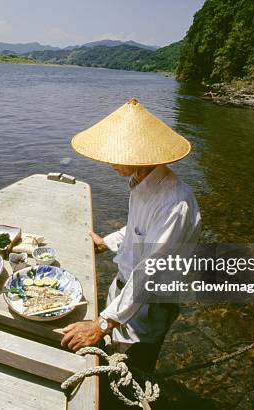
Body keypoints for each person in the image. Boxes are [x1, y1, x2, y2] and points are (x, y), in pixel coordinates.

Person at [61, 98, 201, 374]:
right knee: (115, 359)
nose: (111, 161)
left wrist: (101, 324)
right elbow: (135, 229)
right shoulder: (142, 184)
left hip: (150, 305)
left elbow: (151, 271)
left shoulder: (174, 204)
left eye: (119, 153)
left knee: (135, 367)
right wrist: (107, 243)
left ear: (141, 156)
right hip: (126, 291)